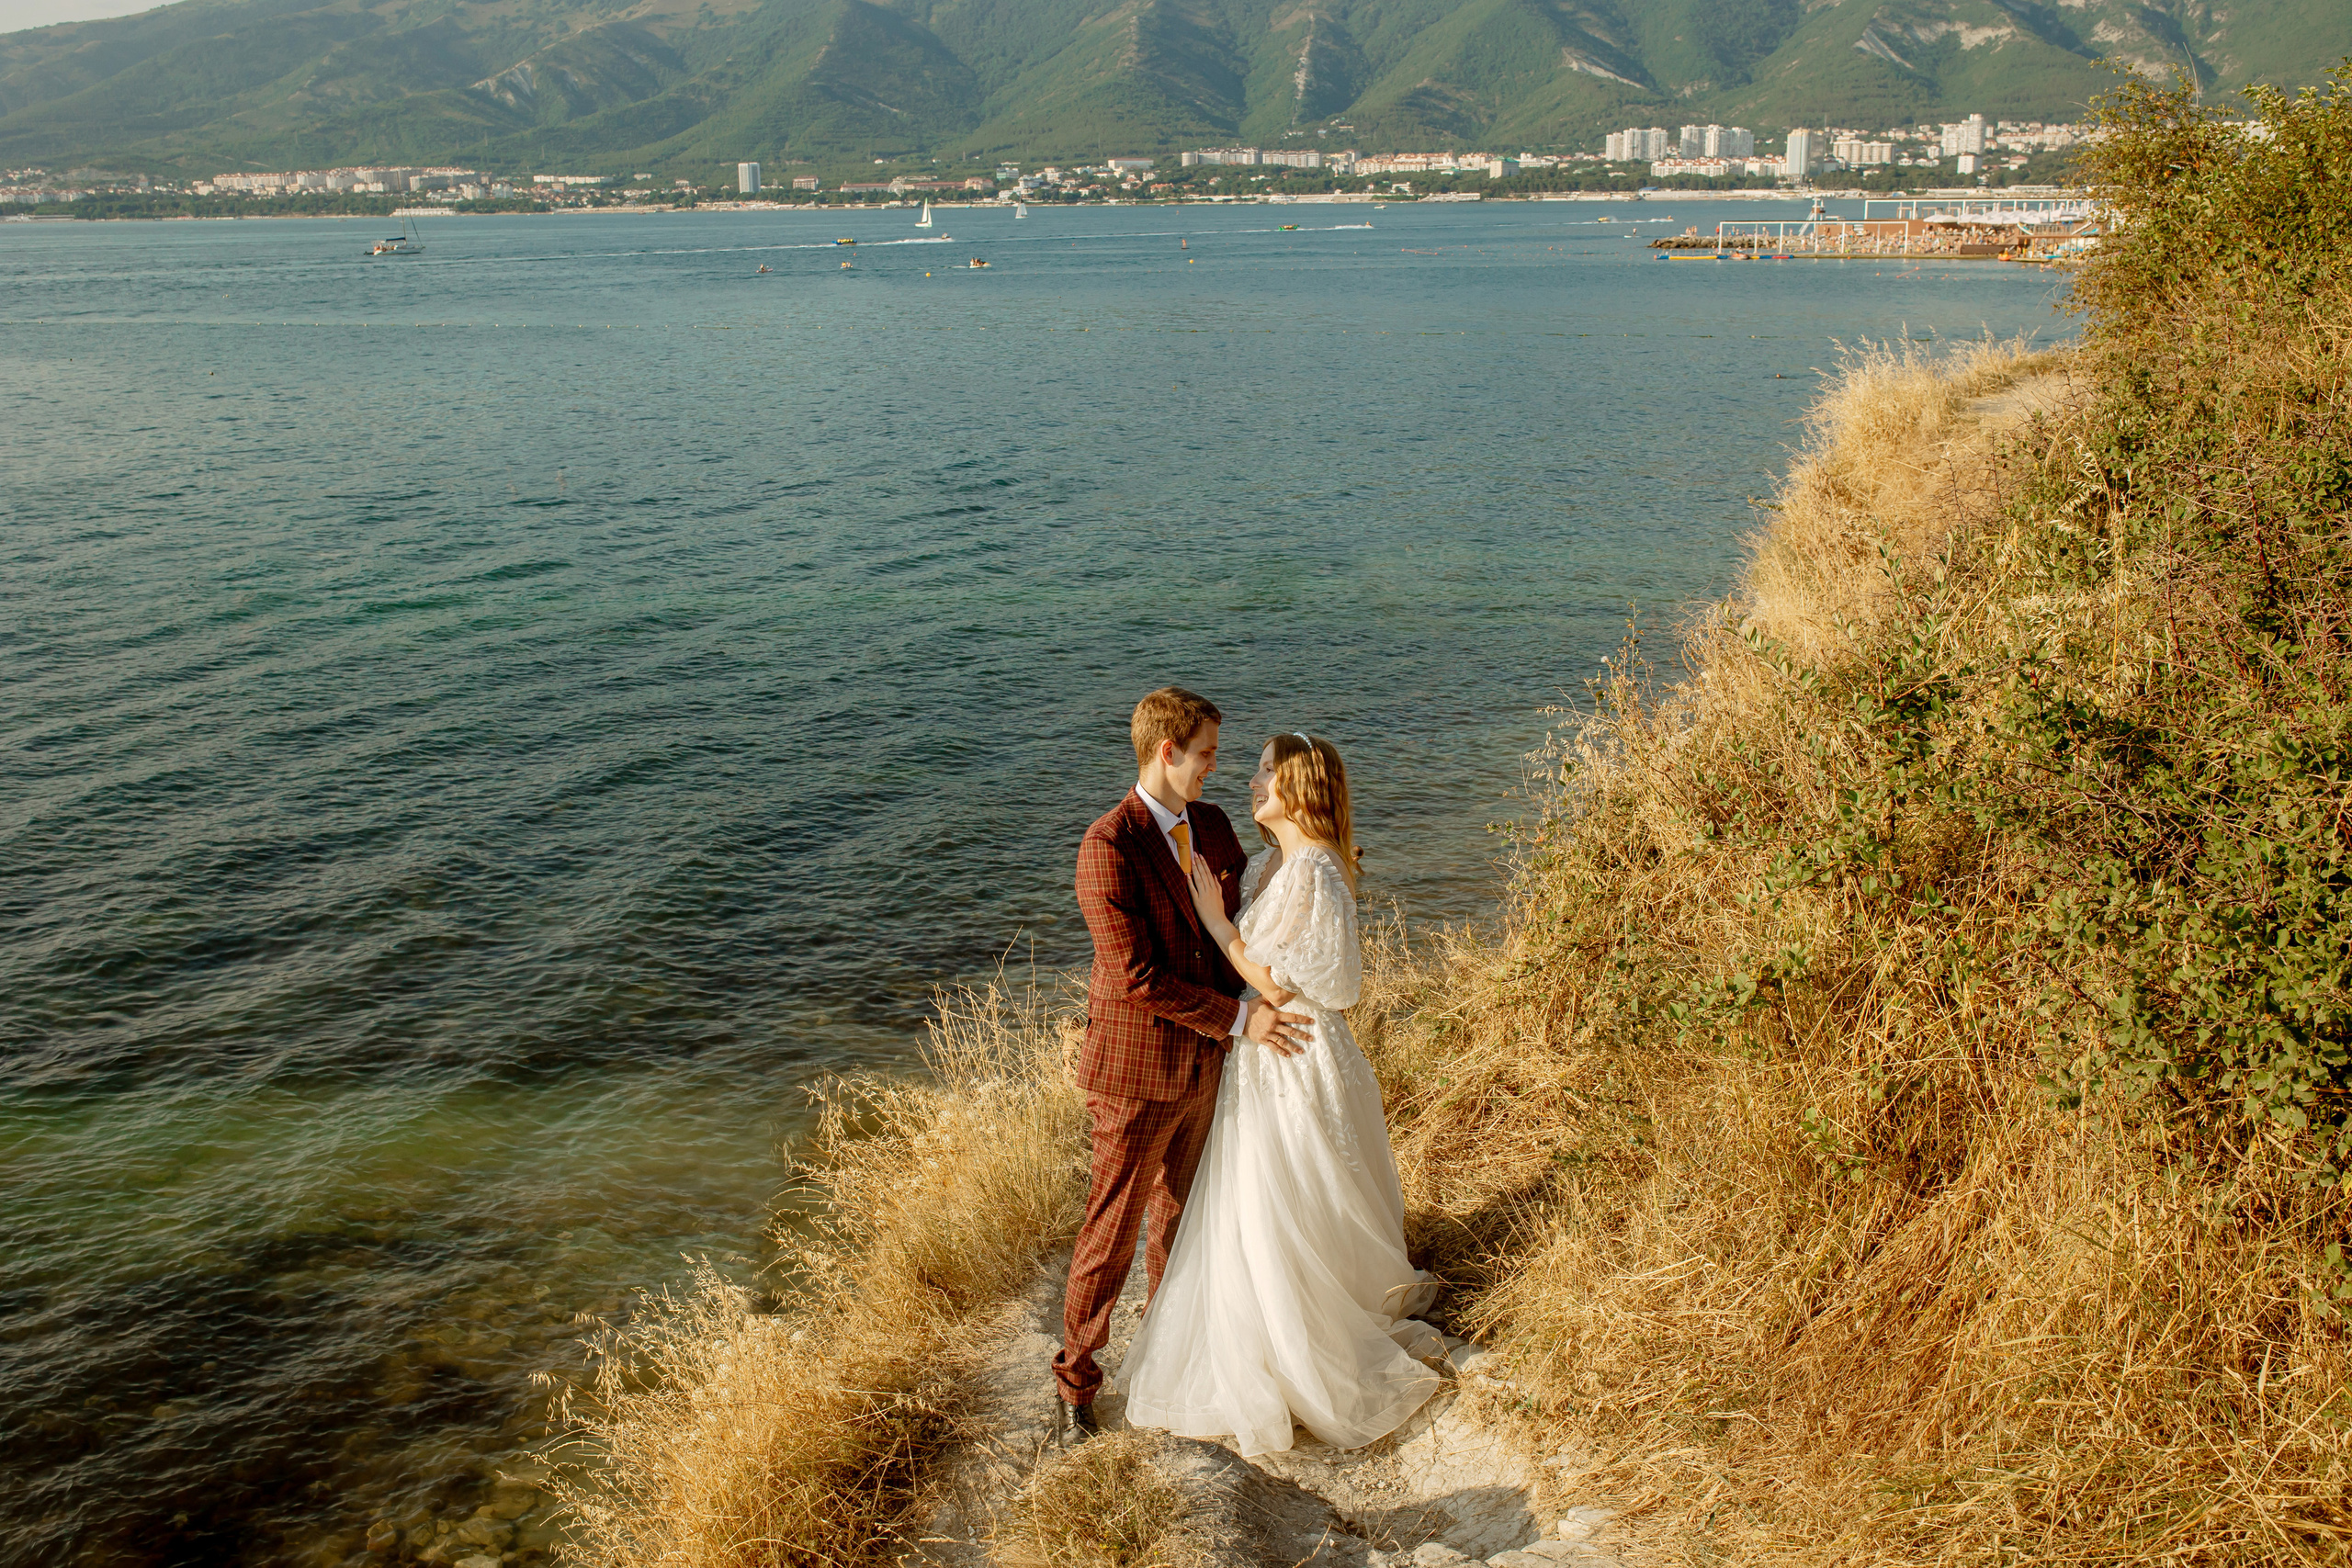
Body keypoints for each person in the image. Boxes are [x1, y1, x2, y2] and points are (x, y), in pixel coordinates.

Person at [1117, 731, 1442, 1457]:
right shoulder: (1275, 863)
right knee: (1265, 1197)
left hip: (1295, 1051)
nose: (1252, 779)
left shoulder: (1316, 868)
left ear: (1298, 787)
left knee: (1292, 1192)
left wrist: (1215, 922)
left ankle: (1310, 1344)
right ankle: (1271, 1331)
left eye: (1267, 769)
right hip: (1263, 1053)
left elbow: (1278, 981)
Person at [1055, 689, 1315, 1437]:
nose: (1214, 767)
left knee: (1183, 1220)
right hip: (1135, 1076)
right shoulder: (1108, 846)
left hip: (1209, 1070)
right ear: (1167, 751)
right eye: (1205, 753)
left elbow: (1247, 908)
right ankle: (1076, 1381)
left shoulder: (1214, 826)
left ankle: (1167, 1359)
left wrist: (1321, 865)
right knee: (1112, 1232)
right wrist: (1241, 1017)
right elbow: (1136, 977)